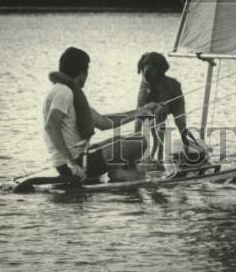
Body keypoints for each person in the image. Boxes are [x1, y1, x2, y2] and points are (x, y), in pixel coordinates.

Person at [43, 46, 160, 183]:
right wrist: (72, 164)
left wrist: (141, 111)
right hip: (76, 163)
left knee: (132, 139)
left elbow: (103, 122)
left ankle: (118, 172)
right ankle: (119, 174)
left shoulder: (64, 91)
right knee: (139, 143)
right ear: (82, 73)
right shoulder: (65, 92)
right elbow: (51, 126)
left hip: (75, 160)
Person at [134, 51, 203, 162]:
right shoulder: (143, 87)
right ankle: (137, 156)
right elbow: (138, 121)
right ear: (141, 66)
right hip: (153, 94)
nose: (147, 69)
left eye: (154, 65)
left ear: (161, 69)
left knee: (180, 125)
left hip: (175, 96)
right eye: (145, 64)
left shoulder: (171, 85)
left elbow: (160, 120)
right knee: (141, 122)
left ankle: (187, 151)